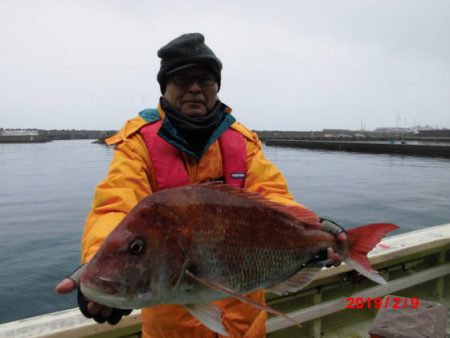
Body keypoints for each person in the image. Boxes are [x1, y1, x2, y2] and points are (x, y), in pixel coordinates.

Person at [56, 33, 346, 338]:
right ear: (164, 87)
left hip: (246, 325)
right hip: (172, 328)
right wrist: (98, 265)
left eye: (206, 80)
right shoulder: (138, 143)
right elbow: (115, 204)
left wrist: (311, 227)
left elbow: (272, 196)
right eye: (182, 79)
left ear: (216, 88)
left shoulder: (242, 141)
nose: (195, 88)